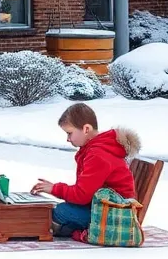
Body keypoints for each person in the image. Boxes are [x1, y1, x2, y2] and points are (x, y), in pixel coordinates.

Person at [31, 103, 141, 241]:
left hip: (114, 215)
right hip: (105, 208)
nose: (68, 139)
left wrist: (54, 188)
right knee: (55, 210)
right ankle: (68, 228)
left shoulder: (98, 154)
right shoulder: (97, 149)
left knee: (61, 211)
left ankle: (73, 230)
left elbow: (82, 195)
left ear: (86, 129)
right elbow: (86, 193)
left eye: (69, 133)